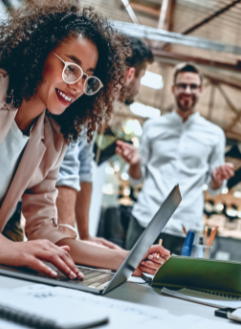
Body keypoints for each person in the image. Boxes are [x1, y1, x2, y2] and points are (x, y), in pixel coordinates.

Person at [0, 1, 168, 279]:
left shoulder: (53, 138)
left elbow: (45, 229)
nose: (77, 86)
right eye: (71, 68)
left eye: (88, 78)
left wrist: (128, 258)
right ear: (38, 52)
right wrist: (2, 246)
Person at [116, 63, 235, 255]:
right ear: (173, 88)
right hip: (146, 220)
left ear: (201, 90)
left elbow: (214, 189)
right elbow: (136, 178)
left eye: (193, 86)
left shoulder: (215, 135)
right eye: (182, 85)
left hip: (186, 227)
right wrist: (136, 163)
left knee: (176, 284)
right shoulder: (153, 127)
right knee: (130, 279)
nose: (187, 91)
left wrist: (217, 179)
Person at [55, 36, 154, 246]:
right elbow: (68, 166)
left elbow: (84, 167)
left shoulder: (97, 107)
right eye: (141, 77)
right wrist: (67, 240)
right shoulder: (85, 97)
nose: (138, 86)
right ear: (130, 74)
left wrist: (85, 235)